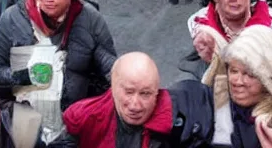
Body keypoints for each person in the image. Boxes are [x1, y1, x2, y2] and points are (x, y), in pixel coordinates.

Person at [0, 0, 116, 146]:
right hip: (23, 128)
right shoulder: (12, 19)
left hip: (73, 127)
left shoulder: (90, 20)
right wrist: (24, 77)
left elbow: (110, 71)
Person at [63, 52, 214, 147]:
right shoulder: (83, 118)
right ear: (113, 88)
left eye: (145, 94)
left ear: (157, 93)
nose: (135, 105)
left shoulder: (182, 123)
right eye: (129, 92)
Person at [204, 25, 272, 148]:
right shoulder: (213, 104)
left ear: (269, 81)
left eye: (250, 75)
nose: (237, 81)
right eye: (233, 70)